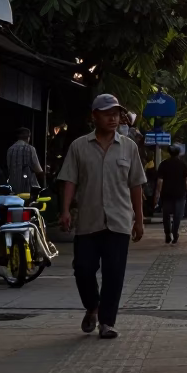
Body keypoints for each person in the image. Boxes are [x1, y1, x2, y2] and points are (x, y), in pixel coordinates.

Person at [58, 94, 147, 340]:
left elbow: (136, 185)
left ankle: (107, 322)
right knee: (83, 269)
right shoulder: (79, 146)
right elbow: (70, 180)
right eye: (107, 113)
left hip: (119, 221)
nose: (113, 118)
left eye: (117, 113)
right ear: (94, 116)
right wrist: (65, 210)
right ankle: (92, 306)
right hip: (88, 220)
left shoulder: (128, 147)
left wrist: (138, 220)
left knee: (114, 273)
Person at [153, 145, 187, 245]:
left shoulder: (163, 164)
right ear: (178, 153)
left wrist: (157, 194)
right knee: (177, 215)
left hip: (166, 194)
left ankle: (167, 233)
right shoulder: (183, 165)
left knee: (166, 216)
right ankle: (175, 232)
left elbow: (160, 181)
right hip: (180, 194)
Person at [7, 127, 44, 195]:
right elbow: (37, 168)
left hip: (13, 185)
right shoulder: (30, 149)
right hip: (27, 186)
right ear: (28, 137)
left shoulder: (10, 149)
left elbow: (9, 167)